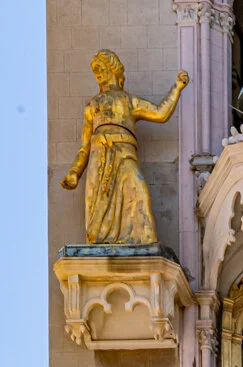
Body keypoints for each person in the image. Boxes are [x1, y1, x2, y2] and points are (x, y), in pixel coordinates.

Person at [61, 50, 188, 244]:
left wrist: (177, 88)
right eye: (95, 71)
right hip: (99, 157)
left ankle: (144, 242)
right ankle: (103, 242)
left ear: (114, 69)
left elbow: (160, 113)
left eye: (101, 68)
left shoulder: (129, 100)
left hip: (124, 154)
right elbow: (84, 147)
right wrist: (74, 172)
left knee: (139, 192)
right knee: (98, 204)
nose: (98, 74)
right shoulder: (92, 105)